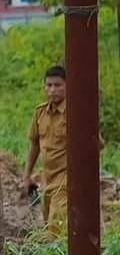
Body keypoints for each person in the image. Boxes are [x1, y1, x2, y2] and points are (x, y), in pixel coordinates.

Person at [24, 64, 104, 236]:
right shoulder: (40, 113)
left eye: (58, 85)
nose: (53, 90)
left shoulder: (76, 113)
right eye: (49, 85)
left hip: (68, 180)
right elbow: (35, 144)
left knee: (55, 227)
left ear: (68, 86)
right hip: (47, 179)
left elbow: (96, 144)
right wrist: (27, 175)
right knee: (48, 224)